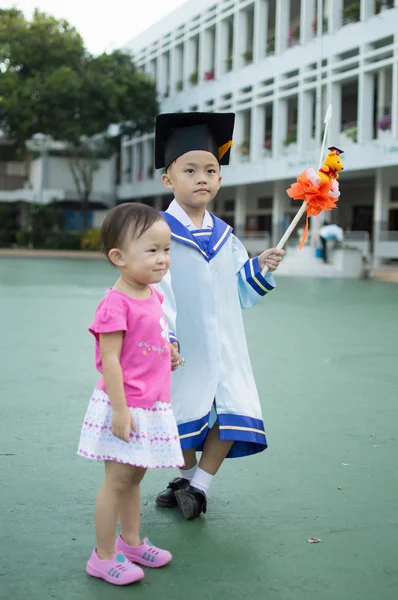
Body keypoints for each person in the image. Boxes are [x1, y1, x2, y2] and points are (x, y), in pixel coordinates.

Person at [153, 112, 284, 520]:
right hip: (180, 346)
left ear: (221, 179)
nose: (202, 178)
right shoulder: (158, 233)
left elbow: (239, 288)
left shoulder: (226, 236)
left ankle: (199, 488)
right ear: (168, 180)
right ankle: (187, 478)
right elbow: (152, 290)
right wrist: (165, 337)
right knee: (178, 417)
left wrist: (259, 265)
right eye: (189, 170)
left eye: (210, 170)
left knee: (234, 408)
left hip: (226, 344)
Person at [77, 203, 184, 586]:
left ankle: (132, 542)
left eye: (166, 249)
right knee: (117, 481)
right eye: (152, 250)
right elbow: (110, 360)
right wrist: (121, 412)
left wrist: (167, 352)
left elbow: (146, 341)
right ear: (118, 257)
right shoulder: (115, 303)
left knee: (135, 478)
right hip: (126, 406)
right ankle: (103, 556)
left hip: (152, 402)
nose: (162, 259)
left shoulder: (151, 295)